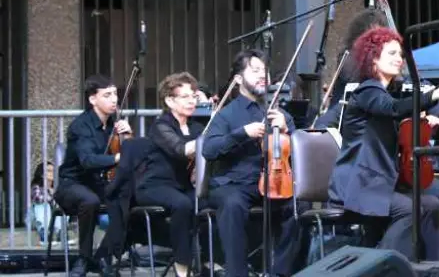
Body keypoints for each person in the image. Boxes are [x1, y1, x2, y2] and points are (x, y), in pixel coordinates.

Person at [328, 27, 439, 260]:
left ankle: (435, 269)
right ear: (374, 58)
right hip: (359, 185)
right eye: (392, 54)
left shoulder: (385, 93)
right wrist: (438, 93)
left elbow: (396, 111)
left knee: (434, 204)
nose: (399, 59)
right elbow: (393, 109)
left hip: (380, 183)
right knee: (409, 210)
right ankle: (380, 267)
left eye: (400, 54)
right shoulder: (367, 90)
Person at [202, 49, 304, 277]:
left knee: (299, 206)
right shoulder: (226, 115)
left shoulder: (278, 113)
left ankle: (281, 273)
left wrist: (288, 129)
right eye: (255, 70)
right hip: (234, 184)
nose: (263, 76)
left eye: (265, 71)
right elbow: (209, 150)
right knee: (232, 204)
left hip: (273, 182)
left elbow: (299, 152)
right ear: (238, 79)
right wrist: (241, 134)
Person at [54, 75, 132, 277]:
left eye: (115, 94)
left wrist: (128, 136)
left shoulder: (114, 124)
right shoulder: (81, 126)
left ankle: (103, 256)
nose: (114, 99)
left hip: (99, 183)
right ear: (92, 99)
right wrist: (117, 157)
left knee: (131, 200)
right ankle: (84, 257)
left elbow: (131, 155)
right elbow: (88, 161)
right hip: (72, 184)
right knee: (90, 201)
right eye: (107, 95)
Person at [137, 72, 204, 277]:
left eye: (194, 96)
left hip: (182, 186)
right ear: (169, 100)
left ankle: (210, 259)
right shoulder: (161, 126)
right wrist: (208, 140)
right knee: (182, 204)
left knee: (212, 200)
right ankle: (182, 267)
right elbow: (180, 149)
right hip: (154, 186)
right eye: (185, 97)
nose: (192, 101)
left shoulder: (196, 126)